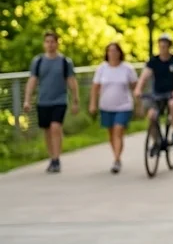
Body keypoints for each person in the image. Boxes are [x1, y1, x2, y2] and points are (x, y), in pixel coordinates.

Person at [22, 31, 80, 173]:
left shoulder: (65, 62)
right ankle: (52, 157)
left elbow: (71, 81)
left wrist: (75, 100)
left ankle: (57, 159)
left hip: (59, 100)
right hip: (43, 101)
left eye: (52, 42)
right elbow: (32, 80)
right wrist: (27, 100)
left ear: (57, 43)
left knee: (55, 127)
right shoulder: (38, 61)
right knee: (47, 130)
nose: (50, 45)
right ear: (44, 44)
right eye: (47, 42)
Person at [89, 42, 138, 174]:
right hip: (106, 105)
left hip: (124, 105)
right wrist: (93, 103)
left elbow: (135, 87)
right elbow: (95, 87)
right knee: (111, 133)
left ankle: (116, 160)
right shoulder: (102, 69)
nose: (113, 53)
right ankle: (117, 155)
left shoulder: (127, 69)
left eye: (115, 51)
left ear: (120, 53)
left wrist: (138, 102)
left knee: (118, 130)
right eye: (110, 51)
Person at [133, 34, 173, 148]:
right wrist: (138, 89)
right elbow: (144, 76)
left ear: (169, 47)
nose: (163, 49)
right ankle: (156, 140)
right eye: (161, 46)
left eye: (165, 46)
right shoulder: (154, 61)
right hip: (157, 94)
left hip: (171, 94)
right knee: (151, 116)